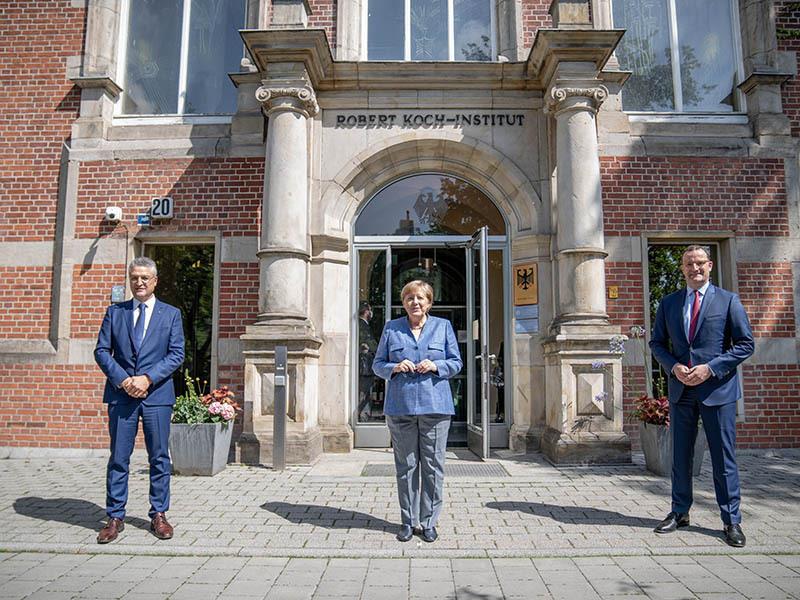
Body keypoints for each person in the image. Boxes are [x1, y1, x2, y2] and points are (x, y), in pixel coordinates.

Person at [650, 245, 754, 547]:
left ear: (709, 266)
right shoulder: (669, 303)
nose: (694, 269)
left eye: (699, 264)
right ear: (682, 269)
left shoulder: (728, 300)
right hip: (682, 390)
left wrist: (710, 368)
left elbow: (745, 344)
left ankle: (731, 520)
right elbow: (657, 343)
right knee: (680, 456)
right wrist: (673, 367)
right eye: (688, 264)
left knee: (723, 458)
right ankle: (680, 512)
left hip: (716, 391)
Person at [94, 257, 185, 544]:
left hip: (157, 396)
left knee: (158, 458)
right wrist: (123, 380)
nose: (139, 282)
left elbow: (176, 354)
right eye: (134, 277)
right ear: (129, 280)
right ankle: (115, 516)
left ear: (155, 281)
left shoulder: (170, 314)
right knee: (119, 458)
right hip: (122, 396)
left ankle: (158, 514)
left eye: (145, 277)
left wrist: (147, 378)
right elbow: (101, 351)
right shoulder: (115, 313)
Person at [372, 280, 462, 543]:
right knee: (406, 467)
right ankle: (408, 521)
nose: (415, 302)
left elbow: (456, 362)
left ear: (429, 303)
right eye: (410, 298)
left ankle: (429, 521)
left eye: (421, 298)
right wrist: (396, 367)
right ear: (404, 303)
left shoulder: (443, 327)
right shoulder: (392, 328)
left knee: (433, 467)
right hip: (401, 408)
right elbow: (378, 364)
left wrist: (435, 365)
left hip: (435, 408)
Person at [357, 304, 377, 421]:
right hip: (364, 365)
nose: (371, 313)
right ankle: (363, 417)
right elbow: (370, 344)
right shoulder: (362, 325)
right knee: (364, 392)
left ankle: (365, 416)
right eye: (370, 310)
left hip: (365, 365)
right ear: (366, 311)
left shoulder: (362, 325)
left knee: (365, 392)